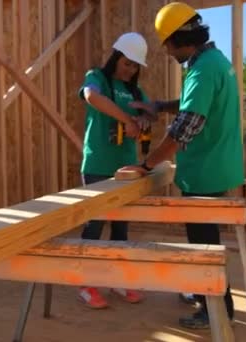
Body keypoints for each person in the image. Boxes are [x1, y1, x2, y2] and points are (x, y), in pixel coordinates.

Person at [118, 2, 244, 329]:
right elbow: (194, 103)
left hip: (205, 172)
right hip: (217, 167)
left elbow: (183, 129)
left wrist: (145, 166)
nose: (168, 52)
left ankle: (217, 310)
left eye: (167, 44)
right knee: (204, 239)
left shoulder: (202, 70)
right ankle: (202, 295)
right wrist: (159, 106)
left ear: (177, 39)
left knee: (205, 245)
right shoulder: (214, 62)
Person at [77, 32, 154, 309]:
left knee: (121, 226)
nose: (130, 69)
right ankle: (86, 282)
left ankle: (117, 279)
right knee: (95, 224)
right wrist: (126, 119)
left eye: (135, 66)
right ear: (116, 57)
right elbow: (90, 97)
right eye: (126, 62)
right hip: (97, 165)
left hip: (126, 168)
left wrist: (144, 120)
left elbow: (150, 111)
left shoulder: (136, 92)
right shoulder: (97, 78)